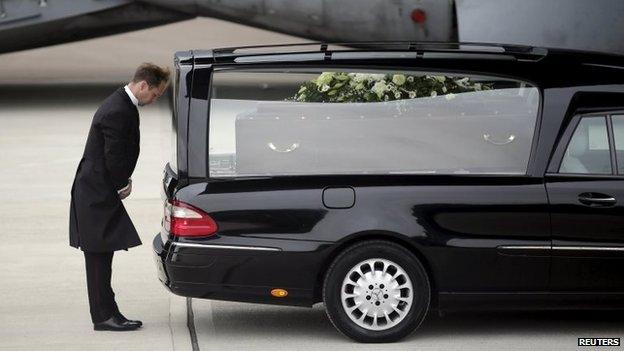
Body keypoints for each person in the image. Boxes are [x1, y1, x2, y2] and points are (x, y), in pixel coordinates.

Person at [68, 63, 170, 331]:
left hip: (96, 189)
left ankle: (108, 312)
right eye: (156, 94)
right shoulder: (118, 109)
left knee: (102, 253)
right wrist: (121, 183)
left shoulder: (121, 103)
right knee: (98, 255)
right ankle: (104, 317)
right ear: (143, 85)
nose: (155, 99)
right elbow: (114, 156)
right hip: (96, 191)